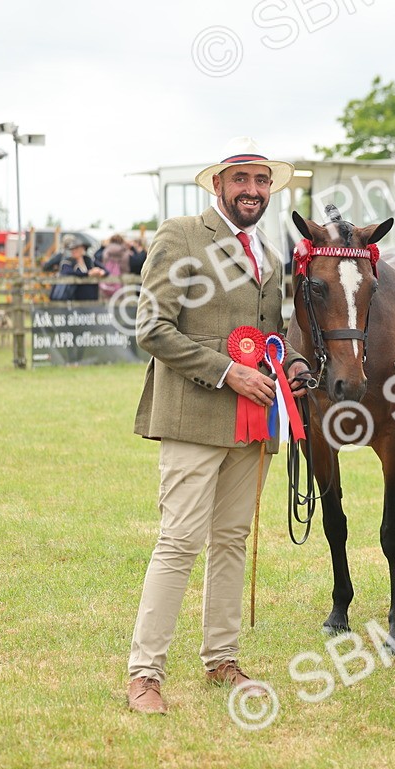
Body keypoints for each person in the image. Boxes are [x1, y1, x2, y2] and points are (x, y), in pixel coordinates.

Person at [126, 137, 311, 714]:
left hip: (254, 422)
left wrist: (292, 367)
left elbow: (271, 335)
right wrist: (228, 371)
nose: (253, 191)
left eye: (262, 182)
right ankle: (144, 674)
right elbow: (152, 328)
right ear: (218, 186)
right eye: (242, 181)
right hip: (193, 413)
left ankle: (221, 659)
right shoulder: (180, 236)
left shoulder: (272, 258)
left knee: (231, 541)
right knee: (179, 543)